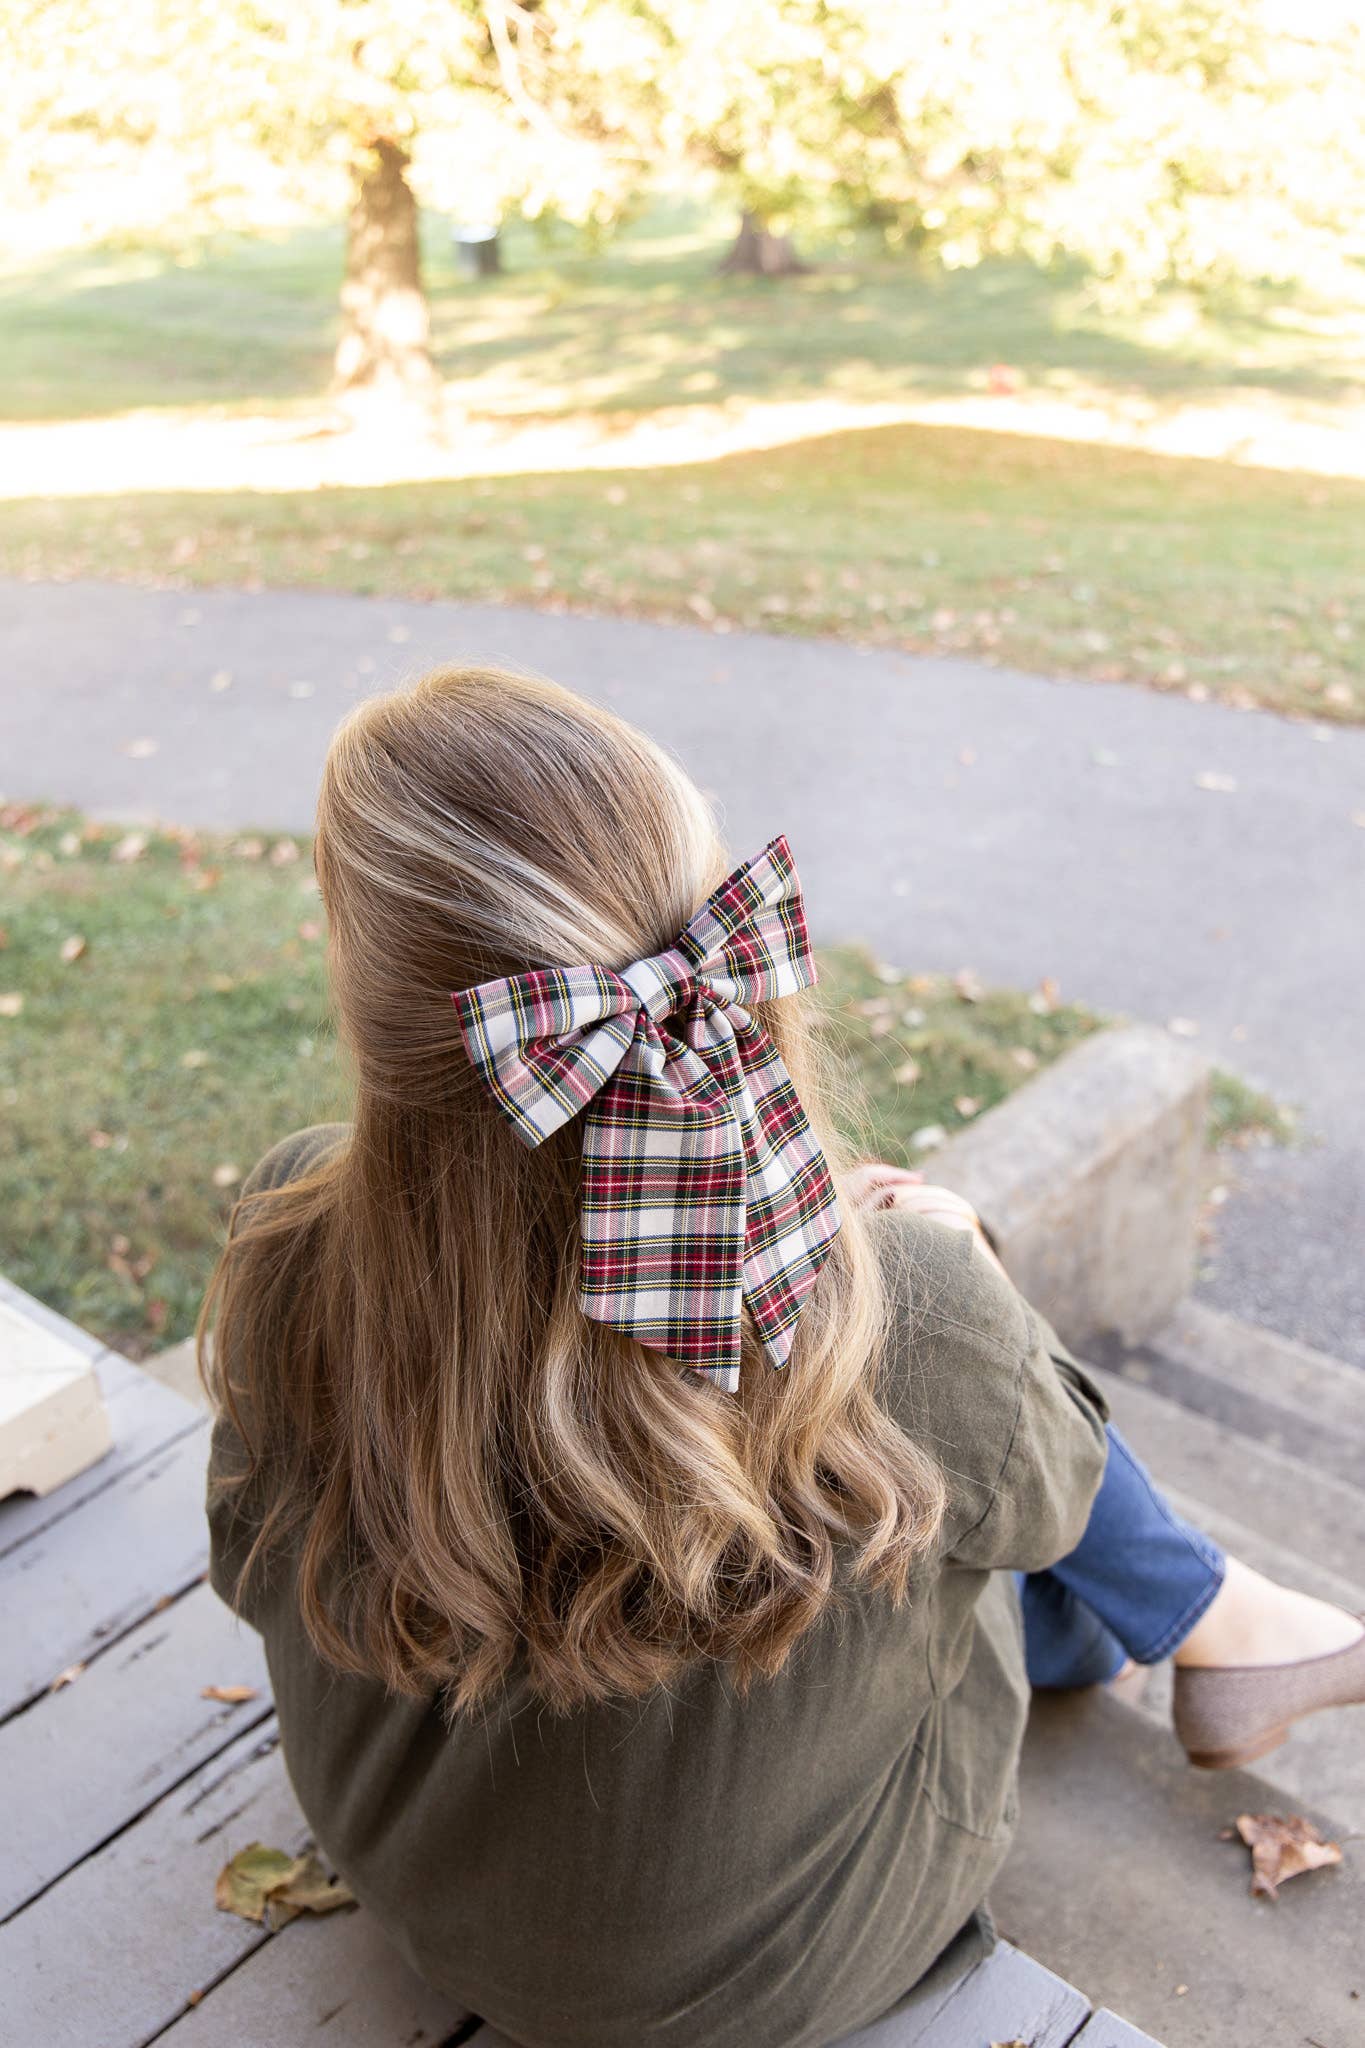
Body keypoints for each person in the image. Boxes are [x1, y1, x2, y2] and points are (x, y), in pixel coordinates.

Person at [202, 666, 1364, 2048]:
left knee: (923, 1449)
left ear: (366, 982)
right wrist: (953, 1265)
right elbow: (1047, 1502)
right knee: (984, 1520)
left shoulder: (287, 1238)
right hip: (770, 1973)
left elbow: (247, 1568)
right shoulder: (897, 1314)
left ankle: (1221, 1623)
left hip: (425, 1872)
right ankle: (1221, 1620)